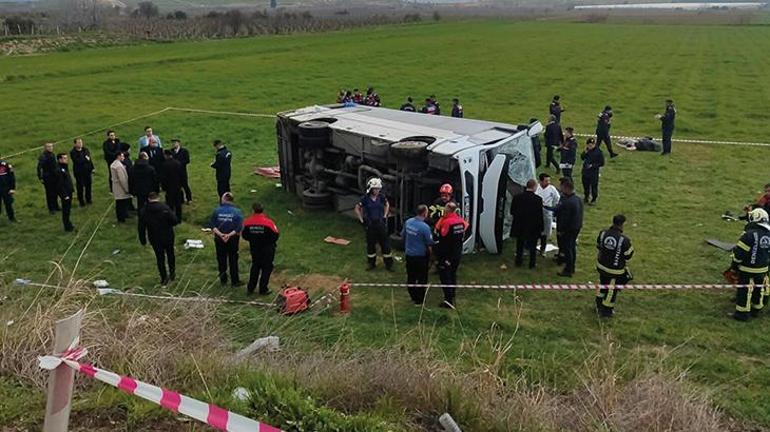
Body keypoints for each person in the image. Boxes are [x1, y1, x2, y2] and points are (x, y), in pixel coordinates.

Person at [731, 208, 770, 321]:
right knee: (759, 289)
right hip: (763, 269)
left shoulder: (749, 235)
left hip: (747, 269)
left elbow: (739, 254)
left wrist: (734, 266)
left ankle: (742, 314)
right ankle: (756, 309)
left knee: (744, 291)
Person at [595, 214, 634, 318]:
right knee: (611, 290)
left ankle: (598, 303)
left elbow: (599, 245)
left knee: (602, 283)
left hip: (601, 266)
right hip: (615, 271)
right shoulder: (624, 240)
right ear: (622, 225)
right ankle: (606, 310)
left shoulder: (603, 233)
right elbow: (628, 255)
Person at [139, 192, 178, 285]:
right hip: (168, 235)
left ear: (148, 199)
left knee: (159, 257)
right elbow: (175, 220)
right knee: (170, 254)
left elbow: (141, 227)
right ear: (158, 198)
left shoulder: (144, 210)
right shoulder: (165, 208)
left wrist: (143, 239)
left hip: (154, 237)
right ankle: (172, 273)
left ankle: (163, 277)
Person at [354, 177, 394, 270]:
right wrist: (361, 220)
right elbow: (357, 208)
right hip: (370, 225)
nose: (377, 190)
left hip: (380, 224)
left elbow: (387, 205)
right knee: (371, 245)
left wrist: (385, 216)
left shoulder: (381, 197)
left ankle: (389, 264)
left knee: (385, 244)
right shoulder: (365, 198)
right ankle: (371, 263)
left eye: (378, 189)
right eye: (375, 189)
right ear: (371, 189)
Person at [241, 202, 279, 296]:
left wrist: (253, 240)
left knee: (255, 266)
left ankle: (250, 288)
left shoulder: (247, 222)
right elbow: (276, 235)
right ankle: (263, 289)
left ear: (253, 210)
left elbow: (244, 235)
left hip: (255, 248)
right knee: (267, 268)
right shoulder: (269, 223)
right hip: (268, 248)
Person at [434, 202, 467, 308]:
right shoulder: (460, 221)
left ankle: (448, 300)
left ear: (448, 210)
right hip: (457, 254)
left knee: (445, 276)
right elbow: (466, 227)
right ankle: (452, 294)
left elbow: (442, 236)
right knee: (453, 274)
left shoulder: (447, 222)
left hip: (446, 254)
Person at [402, 204, 435, 305]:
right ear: (425, 213)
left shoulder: (408, 222)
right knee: (422, 278)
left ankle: (412, 295)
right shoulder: (425, 227)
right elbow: (429, 244)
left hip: (409, 255)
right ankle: (419, 300)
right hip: (420, 257)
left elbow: (403, 235)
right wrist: (432, 258)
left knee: (411, 276)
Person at [510, 179, 545, 269]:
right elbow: (539, 215)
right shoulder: (538, 199)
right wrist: (541, 227)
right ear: (534, 187)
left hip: (520, 224)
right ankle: (532, 264)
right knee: (533, 246)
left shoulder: (517, 197)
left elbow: (512, 211)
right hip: (533, 226)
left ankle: (518, 261)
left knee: (519, 244)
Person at [211, 192, 243, 286]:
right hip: (233, 239)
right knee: (233, 259)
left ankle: (223, 279)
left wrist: (221, 235)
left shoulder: (216, 211)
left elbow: (213, 225)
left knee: (221, 259)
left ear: (223, 199)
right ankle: (235, 280)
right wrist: (229, 235)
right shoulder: (237, 212)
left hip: (219, 239)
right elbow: (238, 228)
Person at [554, 179, 583, 277]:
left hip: (568, 229)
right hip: (576, 227)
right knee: (572, 247)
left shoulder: (568, 202)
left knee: (567, 249)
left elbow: (564, 219)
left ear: (566, 188)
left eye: (561, 187)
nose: (560, 189)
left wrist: (561, 230)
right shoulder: (578, 199)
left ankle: (568, 269)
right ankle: (572, 267)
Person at [535, 173, 560, 256]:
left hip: (547, 213)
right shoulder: (536, 188)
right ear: (541, 181)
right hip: (537, 213)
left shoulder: (552, 189)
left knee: (545, 233)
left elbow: (557, 199)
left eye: (549, 180)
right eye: (546, 181)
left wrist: (553, 208)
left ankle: (543, 249)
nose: (548, 182)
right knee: (535, 231)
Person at [69, 138, 94, 207]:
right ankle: (81, 201)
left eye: (81, 142)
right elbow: (77, 161)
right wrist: (85, 159)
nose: (80, 144)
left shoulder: (85, 150)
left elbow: (89, 159)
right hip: (79, 172)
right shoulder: (73, 152)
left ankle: (88, 199)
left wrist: (92, 167)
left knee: (88, 185)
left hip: (87, 171)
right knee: (80, 187)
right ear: (75, 144)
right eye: (79, 142)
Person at [160, 150, 184, 222]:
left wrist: (163, 187)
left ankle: (171, 218)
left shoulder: (164, 165)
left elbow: (163, 177)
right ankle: (179, 218)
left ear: (166, 155)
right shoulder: (178, 163)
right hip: (177, 186)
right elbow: (182, 175)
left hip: (169, 187)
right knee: (178, 203)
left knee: (170, 204)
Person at [580, 137, 605, 205]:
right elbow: (582, 158)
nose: (590, 146)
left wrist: (593, 165)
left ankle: (594, 199)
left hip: (593, 172)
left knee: (594, 186)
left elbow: (602, 163)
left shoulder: (598, 152)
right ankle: (586, 197)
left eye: (592, 145)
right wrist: (584, 152)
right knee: (585, 185)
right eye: (589, 145)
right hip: (585, 171)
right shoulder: (587, 150)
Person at [37, 142, 60, 214]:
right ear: (45, 148)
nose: (51, 148)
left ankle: (56, 206)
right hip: (47, 177)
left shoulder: (52, 154)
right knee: (49, 193)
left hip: (54, 176)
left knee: (55, 192)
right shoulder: (43, 156)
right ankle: (51, 208)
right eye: (49, 147)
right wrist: (40, 177)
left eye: (51, 146)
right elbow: (39, 167)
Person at [54, 153, 75, 232]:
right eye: (64, 158)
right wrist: (64, 195)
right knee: (66, 210)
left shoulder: (65, 167)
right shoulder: (58, 170)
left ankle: (68, 223)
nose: (66, 159)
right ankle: (67, 226)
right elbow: (59, 184)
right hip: (65, 193)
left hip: (69, 191)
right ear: (59, 160)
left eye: (66, 158)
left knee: (68, 209)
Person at [110, 152, 132, 223]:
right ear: (118, 156)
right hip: (120, 187)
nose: (123, 157)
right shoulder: (118, 166)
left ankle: (123, 215)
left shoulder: (114, 164)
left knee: (120, 203)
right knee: (121, 203)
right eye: (122, 156)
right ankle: (121, 218)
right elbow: (122, 179)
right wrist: (126, 188)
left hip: (116, 186)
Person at [171, 139, 192, 203]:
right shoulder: (171, 151)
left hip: (182, 171)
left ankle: (189, 198)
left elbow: (187, 160)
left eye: (175, 143)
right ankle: (180, 199)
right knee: (177, 186)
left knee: (185, 185)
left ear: (179, 143)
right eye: (173, 143)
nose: (174, 144)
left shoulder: (184, 151)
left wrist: (179, 163)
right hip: (174, 172)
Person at [0, 156, 16, 222]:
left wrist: (12, 188)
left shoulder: (5, 165)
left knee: (8, 204)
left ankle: (12, 218)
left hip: (6, 189)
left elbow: (12, 177)